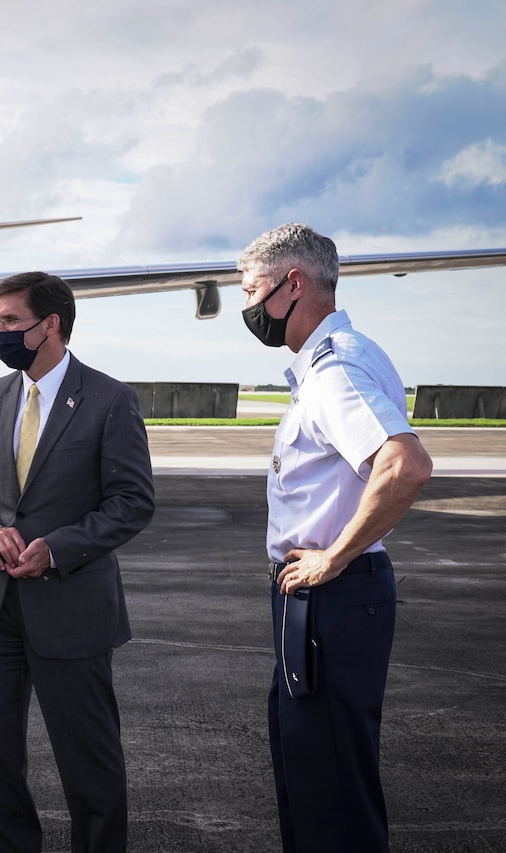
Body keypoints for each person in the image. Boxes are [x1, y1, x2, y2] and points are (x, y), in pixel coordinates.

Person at [237, 223, 433, 852]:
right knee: (313, 778)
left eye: (252, 291)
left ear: (294, 284)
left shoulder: (334, 368)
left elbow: (404, 463)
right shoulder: (343, 355)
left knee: (329, 796)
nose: (248, 309)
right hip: (322, 601)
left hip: (332, 598)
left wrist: (333, 557)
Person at [0, 271, 155, 853]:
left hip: (72, 610)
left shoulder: (110, 399)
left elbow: (132, 501)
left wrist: (58, 549)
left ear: (51, 325)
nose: (1, 332)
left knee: (89, 765)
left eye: (11, 321)